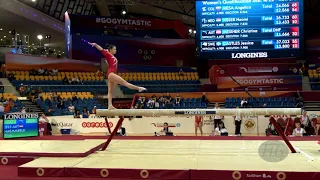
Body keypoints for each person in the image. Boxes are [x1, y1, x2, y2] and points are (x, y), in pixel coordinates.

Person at [88, 42, 147, 109]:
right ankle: (138, 88)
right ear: (111, 49)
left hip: (111, 74)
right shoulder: (108, 54)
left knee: (110, 91)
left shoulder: (111, 56)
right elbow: (101, 49)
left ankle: (109, 105)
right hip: (111, 74)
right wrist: (95, 44)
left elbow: (110, 64)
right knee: (125, 83)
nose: (116, 50)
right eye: (114, 49)